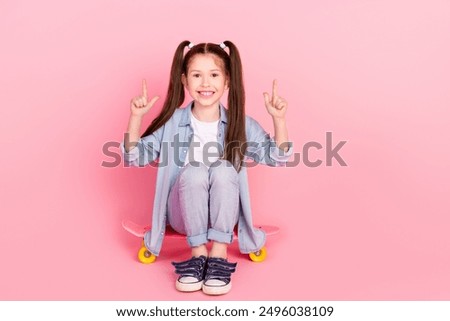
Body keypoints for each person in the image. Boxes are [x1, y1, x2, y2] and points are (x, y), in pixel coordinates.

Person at [121, 40, 292, 295]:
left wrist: (279, 121)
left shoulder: (239, 123)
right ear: (184, 81)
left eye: (213, 75)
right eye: (196, 75)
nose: (205, 83)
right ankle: (198, 255)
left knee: (224, 169)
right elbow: (134, 157)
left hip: (225, 216)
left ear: (227, 81)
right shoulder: (172, 122)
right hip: (183, 216)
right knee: (195, 170)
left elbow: (277, 157)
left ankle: (219, 257)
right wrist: (135, 118)